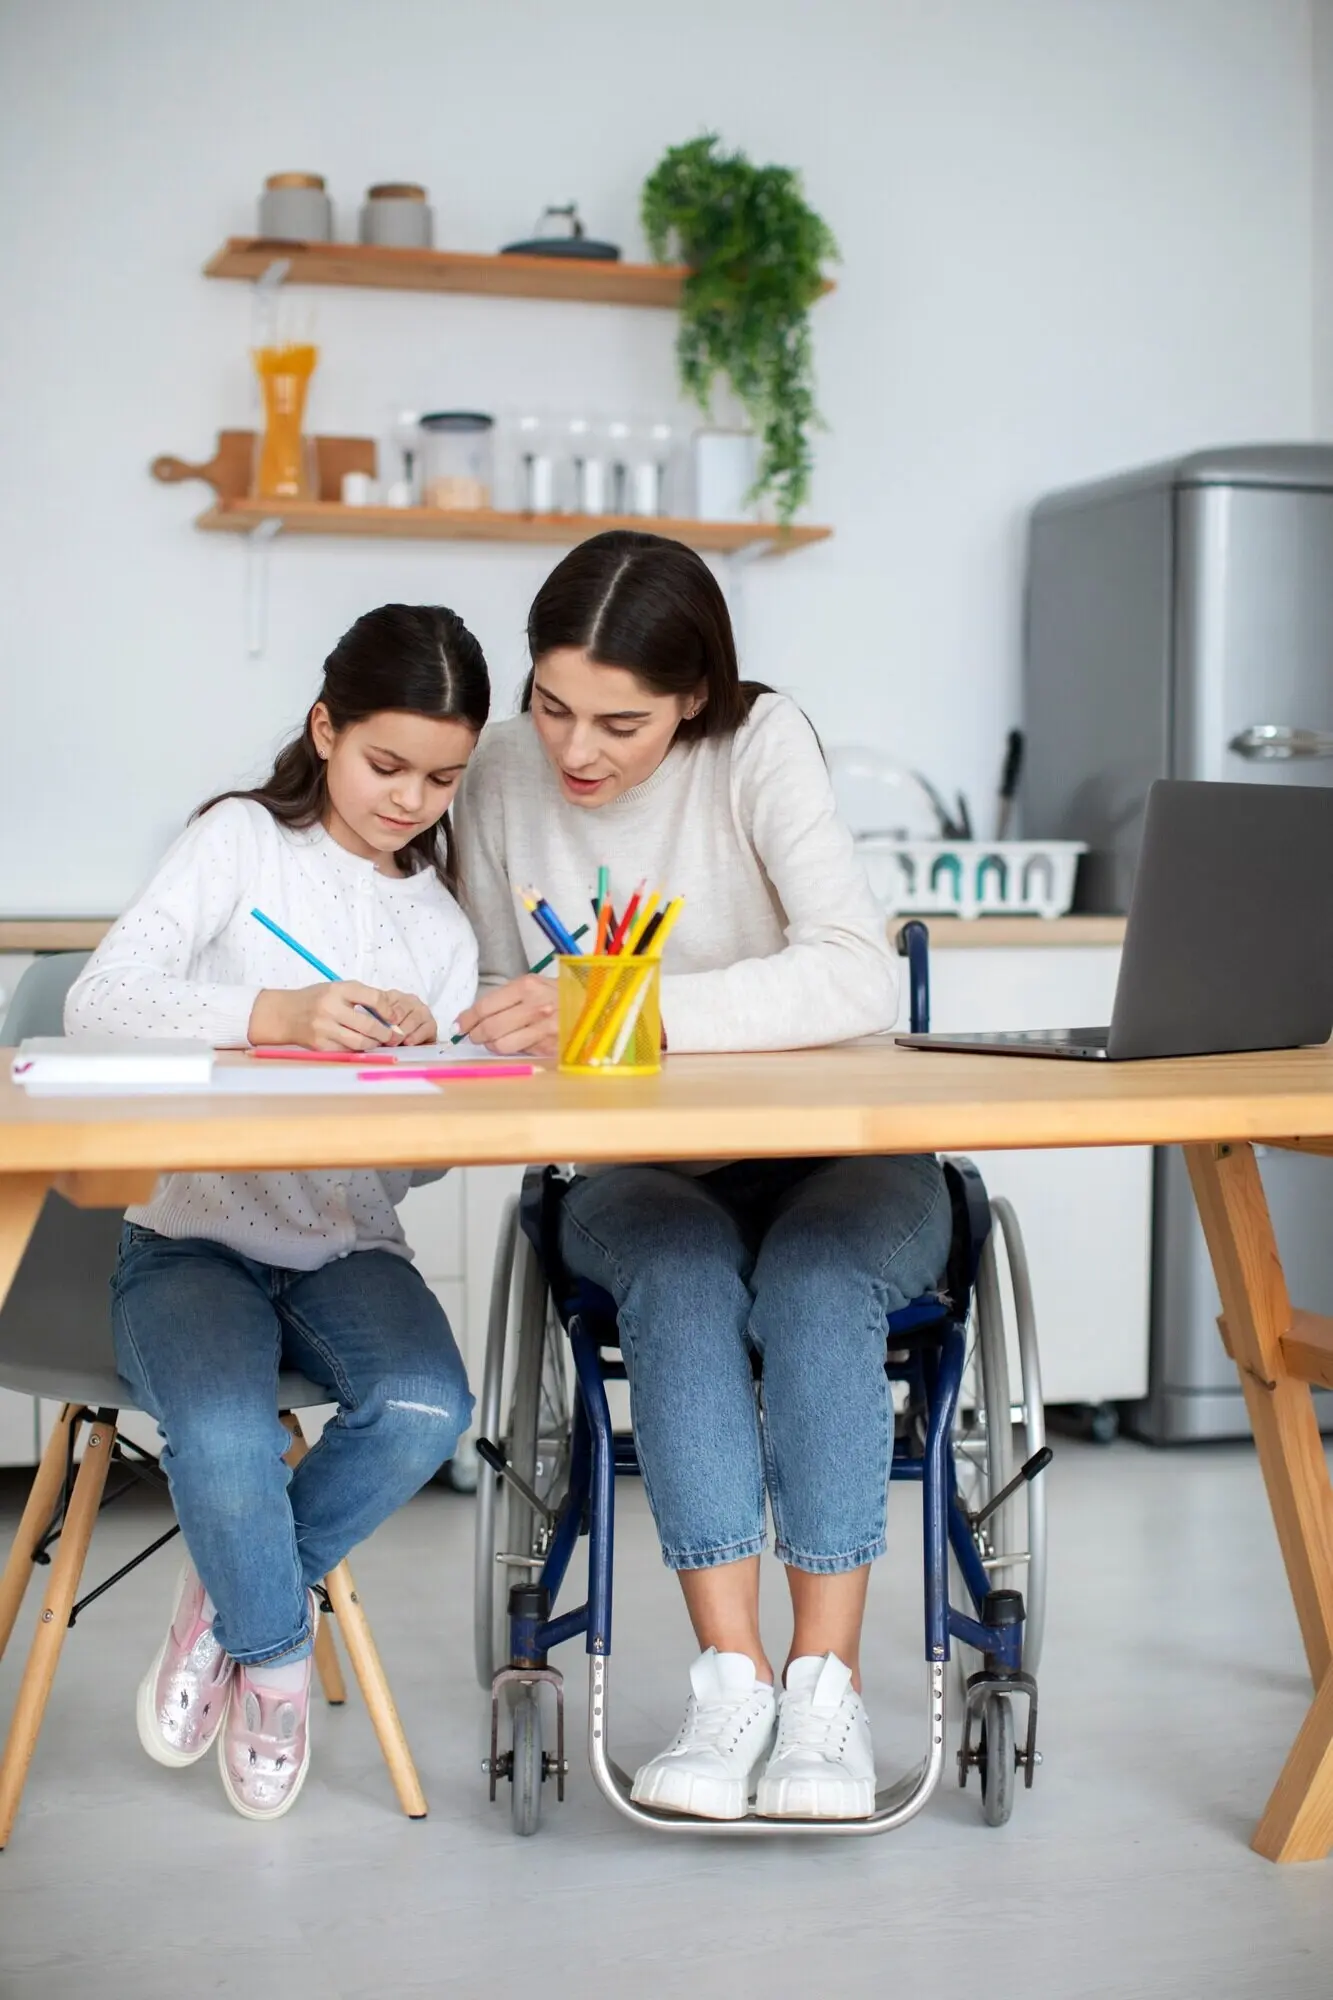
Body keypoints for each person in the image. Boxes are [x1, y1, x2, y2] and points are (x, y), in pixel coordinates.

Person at [453, 532, 951, 1821]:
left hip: (845, 1159)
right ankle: (732, 1681)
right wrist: (491, 1015)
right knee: (675, 1274)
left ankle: (825, 1689)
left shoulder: (759, 743)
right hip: (643, 1170)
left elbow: (855, 971)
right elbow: (488, 987)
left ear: (692, 696)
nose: (576, 749)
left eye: (620, 722)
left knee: (818, 1281)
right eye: (551, 704)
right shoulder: (498, 770)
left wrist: (628, 1008)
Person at [66, 603, 489, 1821]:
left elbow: (416, 1172)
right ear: (324, 728)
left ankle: (234, 1592)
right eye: (387, 763)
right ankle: (278, 1661)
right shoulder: (238, 842)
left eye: (442, 779)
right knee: (226, 1433)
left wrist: (429, 1061)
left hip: (345, 1244)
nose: (410, 799)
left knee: (428, 1404)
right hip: (189, 1234)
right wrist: (275, 1015)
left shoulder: (440, 926)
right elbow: (101, 1001)